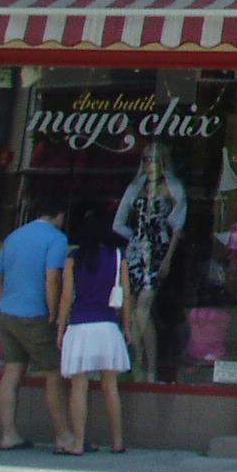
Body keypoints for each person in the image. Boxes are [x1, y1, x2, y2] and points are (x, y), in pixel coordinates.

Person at [0, 198, 71, 450]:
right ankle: (64, 437)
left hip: (8, 313)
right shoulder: (56, 239)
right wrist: (54, 314)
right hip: (36, 315)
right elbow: (52, 278)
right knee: (54, 373)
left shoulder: (14, 236)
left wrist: (6, 300)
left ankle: (9, 434)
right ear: (60, 215)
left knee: (12, 371)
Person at [56, 202, 133, 454]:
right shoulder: (118, 257)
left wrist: (60, 328)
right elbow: (126, 296)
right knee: (110, 386)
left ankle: (78, 443)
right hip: (108, 327)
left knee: (79, 386)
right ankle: (118, 441)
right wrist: (127, 327)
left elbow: (67, 296)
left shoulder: (74, 258)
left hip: (80, 326)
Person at [112, 142, 186, 380]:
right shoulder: (136, 187)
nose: (148, 163)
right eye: (145, 158)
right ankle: (142, 367)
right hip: (136, 252)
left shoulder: (173, 187)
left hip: (158, 252)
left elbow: (178, 228)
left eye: (153, 159)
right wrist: (136, 238)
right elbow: (118, 223)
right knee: (135, 311)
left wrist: (167, 258)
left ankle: (145, 367)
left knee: (142, 309)